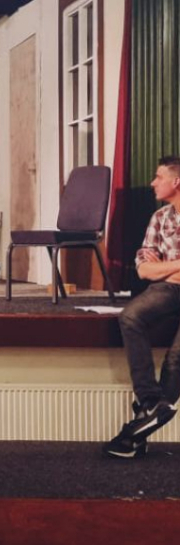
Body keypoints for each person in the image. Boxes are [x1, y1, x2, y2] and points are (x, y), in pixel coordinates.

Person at [103, 156, 180, 459]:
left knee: (176, 360)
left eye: (158, 177)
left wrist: (163, 267)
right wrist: (173, 269)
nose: (152, 183)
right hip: (169, 289)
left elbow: (154, 267)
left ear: (176, 182)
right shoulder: (160, 217)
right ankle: (150, 401)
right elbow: (144, 270)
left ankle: (135, 434)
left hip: (168, 282)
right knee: (131, 316)